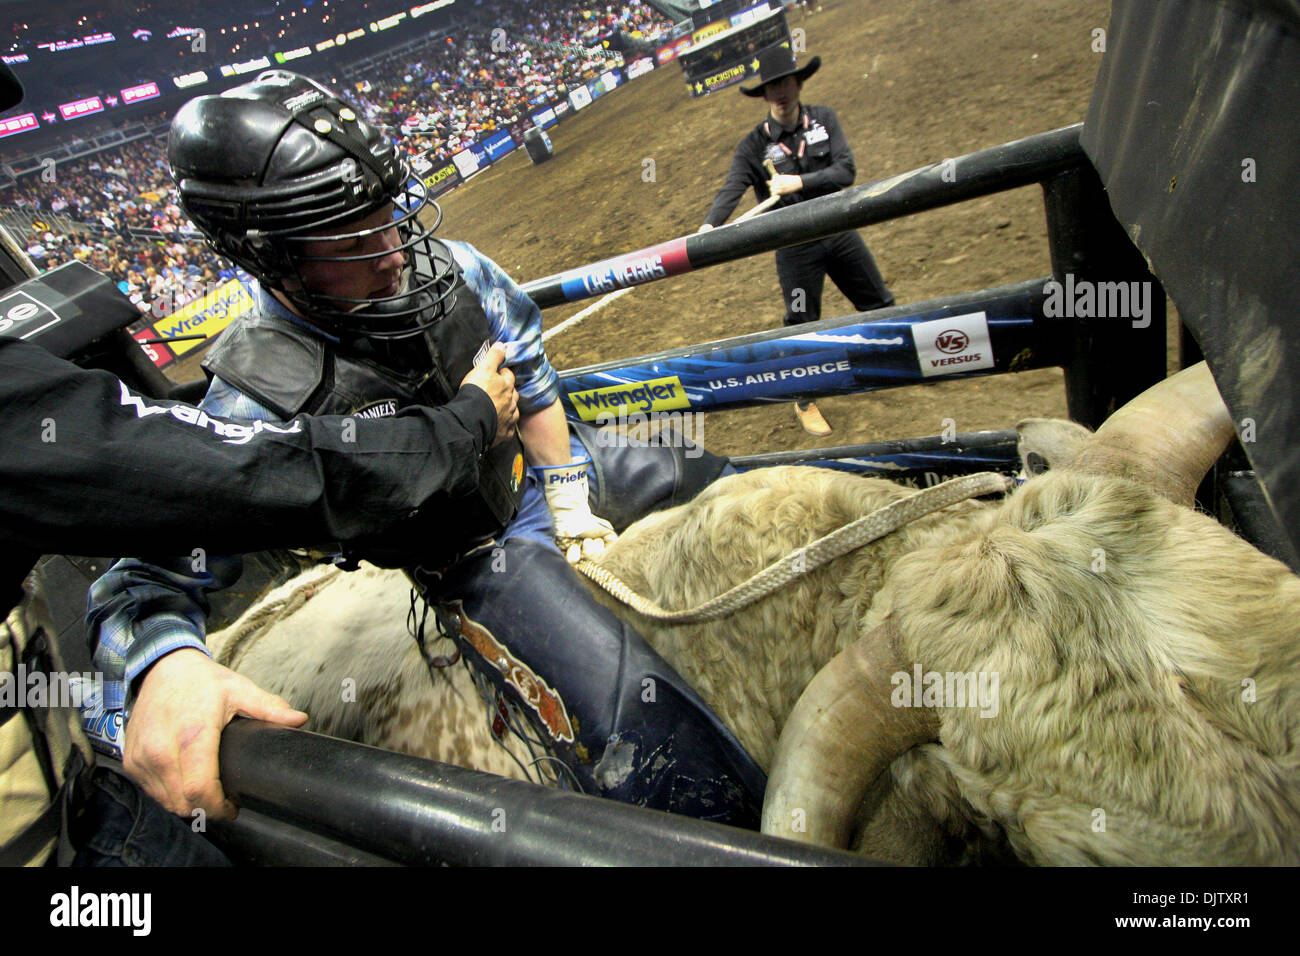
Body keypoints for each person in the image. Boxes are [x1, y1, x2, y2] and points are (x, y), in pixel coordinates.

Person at [88, 70, 766, 833]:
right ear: (271, 257)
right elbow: (140, 577)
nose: (394, 252)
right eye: (354, 238)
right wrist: (161, 663)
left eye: (389, 215)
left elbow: (535, 380)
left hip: (555, 469)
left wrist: (570, 497)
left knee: (736, 488)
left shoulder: (458, 266)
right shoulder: (255, 397)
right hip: (480, 554)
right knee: (651, 731)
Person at [0, 334, 519, 866]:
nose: (390, 257)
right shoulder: (251, 382)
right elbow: (227, 474)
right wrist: (462, 428)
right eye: (355, 242)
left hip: (66, 802)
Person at [699, 47, 894, 436]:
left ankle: (903, 359)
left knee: (877, 301)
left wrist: (799, 183)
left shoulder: (824, 119)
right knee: (801, 323)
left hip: (838, 229)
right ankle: (804, 396)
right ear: (765, 94)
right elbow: (732, 187)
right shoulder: (754, 145)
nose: (780, 93)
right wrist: (708, 229)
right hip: (795, 245)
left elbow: (846, 170)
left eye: (785, 83)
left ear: (799, 83)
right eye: (772, 87)